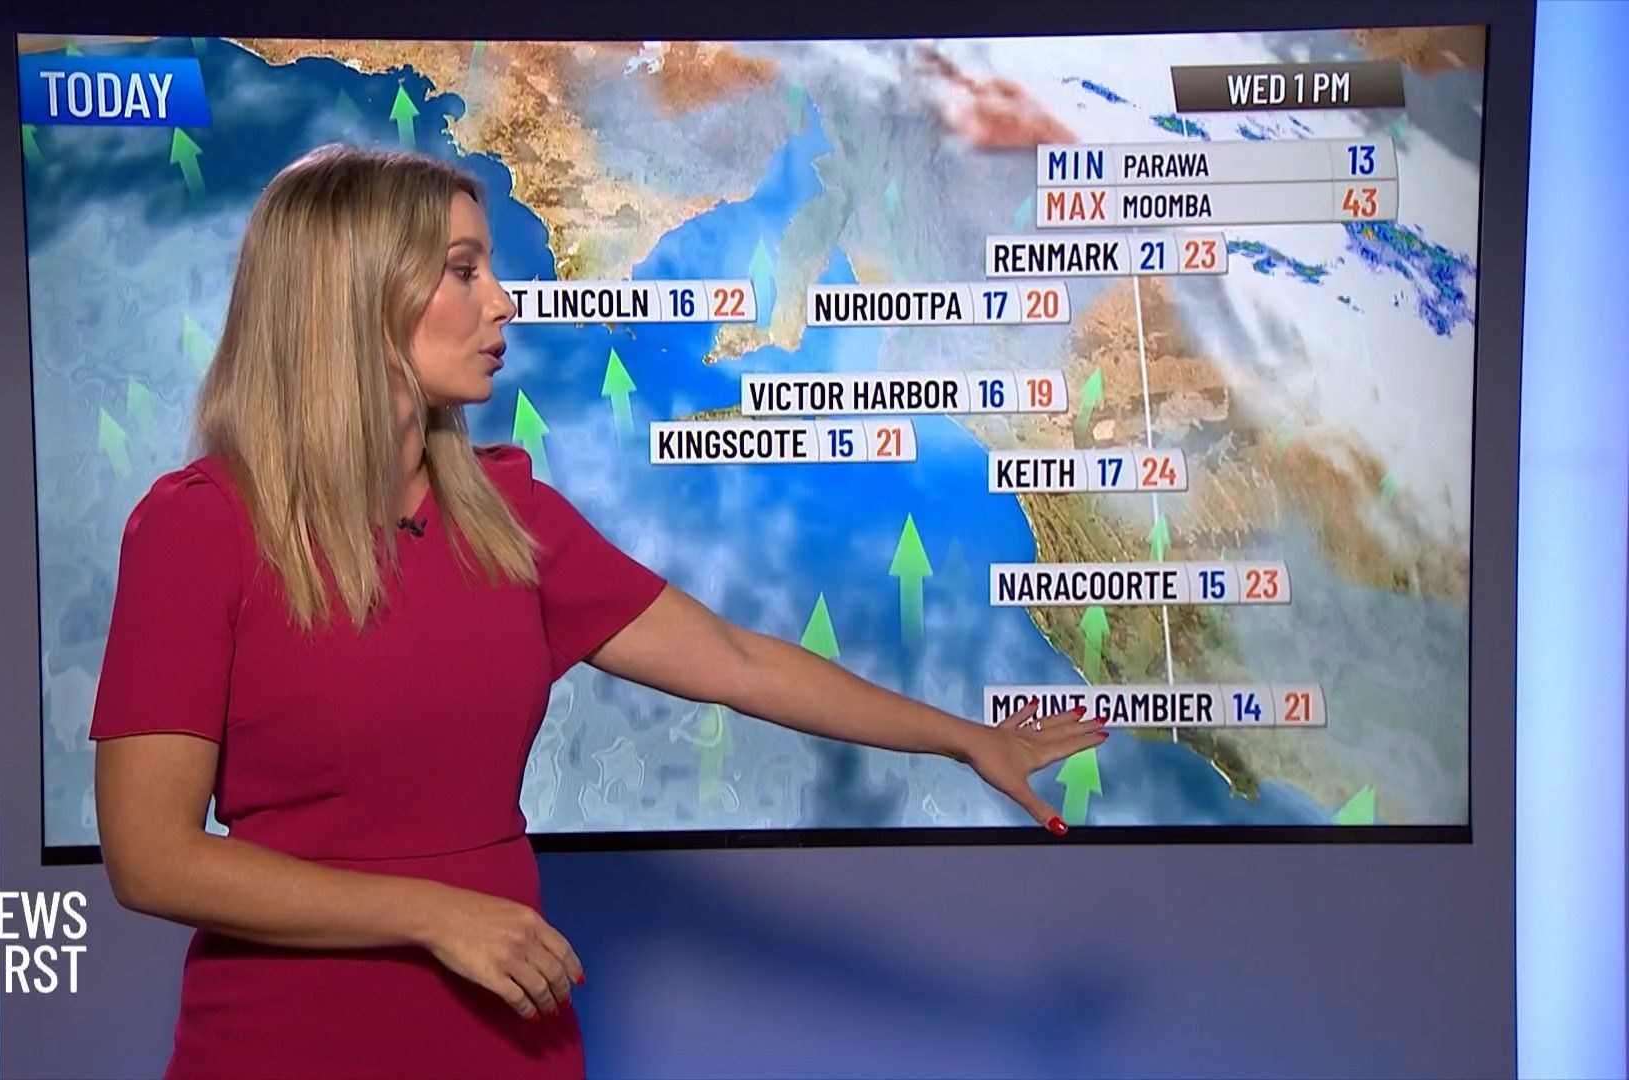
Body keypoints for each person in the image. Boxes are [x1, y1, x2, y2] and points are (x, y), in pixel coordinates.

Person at [89, 144, 1107, 1080]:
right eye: (462, 271)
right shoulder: (200, 530)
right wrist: (432, 916)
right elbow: (151, 856)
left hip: (506, 1036)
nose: (502, 302)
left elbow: (739, 662)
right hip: (291, 1045)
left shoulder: (507, 517)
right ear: (354, 293)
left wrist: (965, 739)